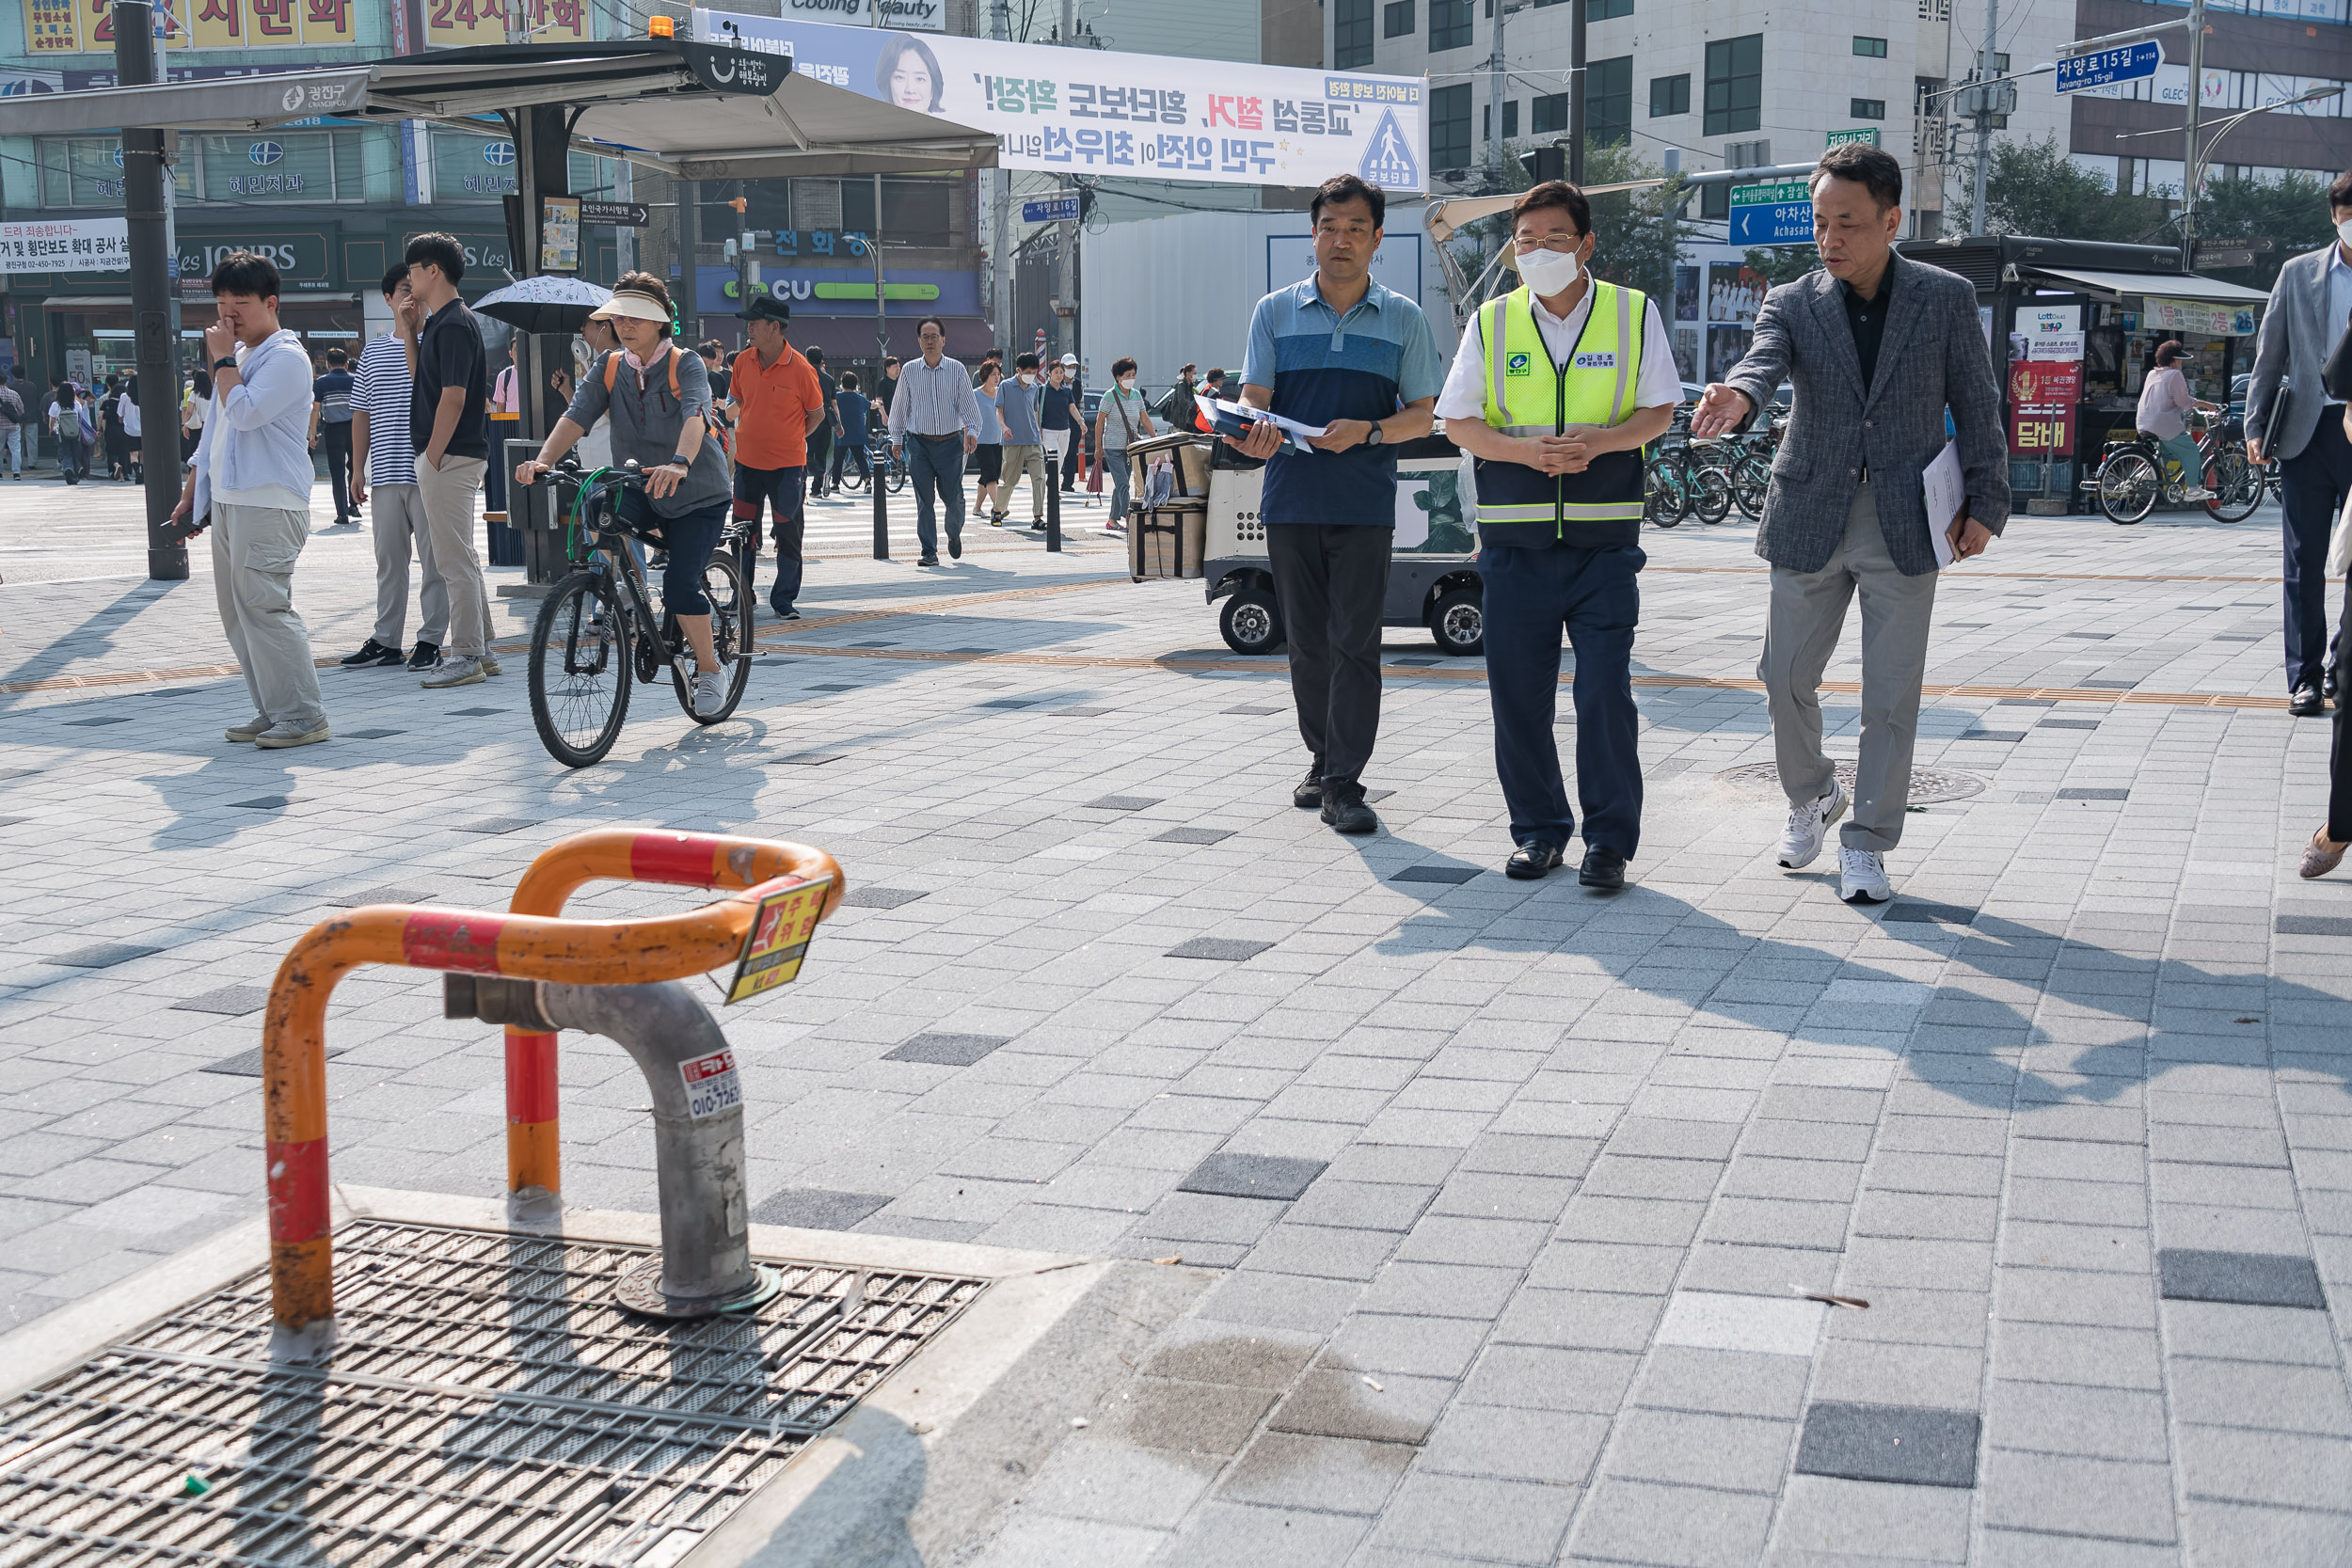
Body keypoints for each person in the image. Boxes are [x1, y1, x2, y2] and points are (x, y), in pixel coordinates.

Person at [1691, 141, 2007, 904]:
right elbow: (1763, 360)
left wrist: (1988, 502)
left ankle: (1867, 843)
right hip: (1808, 509)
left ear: (1891, 220)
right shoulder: (1793, 301)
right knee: (1784, 676)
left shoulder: (1944, 297)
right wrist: (1738, 396)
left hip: (1906, 514)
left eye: (1848, 224)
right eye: (1820, 222)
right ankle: (1812, 794)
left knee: (1890, 694)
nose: (1830, 239)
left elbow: (1977, 400)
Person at [1437, 179, 1680, 889]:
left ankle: (1609, 842)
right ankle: (1539, 832)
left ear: (1587, 245)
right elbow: (1460, 421)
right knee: (1518, 696)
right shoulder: (1492, 321)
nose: (1539, 250)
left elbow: (1658, 409)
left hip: (1604, 546)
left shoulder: (1633, 313)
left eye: (1556, 238)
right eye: (1526, 239)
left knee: (1605, 692)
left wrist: (1603, 441)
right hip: (1514, 547)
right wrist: (1526, 452)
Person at [1230, 171, 1442, 835]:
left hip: (1366, 505)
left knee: (1357, 643)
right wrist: (1250, 427)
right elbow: (1252, 402)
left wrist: (1371, 431)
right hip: (1291, 501)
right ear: (1312, 233)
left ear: (1378, 238)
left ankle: (1346, 781)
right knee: (1307, 646)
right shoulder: (1274, 310)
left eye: (1355, 228)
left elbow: (1423, 416)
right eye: (1329, 227)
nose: (1340, 240)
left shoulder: (1403, 317)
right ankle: (1323, 758)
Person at [515, 273, 737, 717]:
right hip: (641, 486)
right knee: (599, 506)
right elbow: (576, 416)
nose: (626, 325)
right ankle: (618, 587)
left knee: (679, 585)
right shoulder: (610, 365)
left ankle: (710, 670)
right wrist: (544, 460)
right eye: (619, 318)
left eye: (638, 317)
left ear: (660, 323)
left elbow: (696, 414)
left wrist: (680, 462)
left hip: (697, 491)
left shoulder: (684, 362)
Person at [169, 249, 329, 750]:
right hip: (234, 500)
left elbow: (245, 414)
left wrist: (219, 361)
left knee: (265, 606)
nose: (227, 316)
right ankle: (275, 709)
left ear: (271, 302)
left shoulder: (287, 357)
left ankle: (303, 715)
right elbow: (216, 431)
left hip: (271, 501)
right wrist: (194, 489)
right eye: (221, 304)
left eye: (239, 304)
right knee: (238, 611)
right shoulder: (239, 358)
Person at [2247, 172, 2352, 718]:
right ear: (2334, 217)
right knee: (2303, 560)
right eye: (2346, 214)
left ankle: (2342, 663)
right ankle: (2305, 678)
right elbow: (2271, 355)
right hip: (2307, 435)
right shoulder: (2298, 273)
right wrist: (2254, 425)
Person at [400, 230, 499, 690]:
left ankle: (466, 654)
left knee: (451, 560)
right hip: (450, 454)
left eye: (414, 270)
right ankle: (484, 648)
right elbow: (424, 380)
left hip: (451, 455)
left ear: (433, 270)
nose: (409, 278)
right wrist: (410, 332)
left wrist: (433, 456)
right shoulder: (442, 322)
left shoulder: (456, 323)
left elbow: (455, 398)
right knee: (461, 556)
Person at [342, 263, 448, 672]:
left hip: (427, 469)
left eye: (416, 288)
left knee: (434, 559)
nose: (412, 296)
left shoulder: (434, 342)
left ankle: (431, 639)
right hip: (385, 473)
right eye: (404, 289)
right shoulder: (373, 350)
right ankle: (387, 640)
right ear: (387, 298)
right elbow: (361, 413)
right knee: (389, 561)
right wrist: (357, 470)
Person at [722, 294, 826, 620]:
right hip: (747, 466)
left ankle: (783, 600)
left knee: (788, 533)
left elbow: (817, 414)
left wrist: (792, 437)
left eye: (755, 322)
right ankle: (743, 593)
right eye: (748, 322)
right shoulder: (742, 362)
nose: (748, 328)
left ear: (775, 327)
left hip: (788, 468)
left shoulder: (801, 369)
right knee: (742, 533)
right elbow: (735, 402)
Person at [886, 315, 982, 565]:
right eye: (925, 337)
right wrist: (896, 437)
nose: (930, 341)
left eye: (934, 337)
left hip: (951, 444)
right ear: (919, 341)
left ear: (944, 340)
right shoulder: (908, 371)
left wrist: (972, 431)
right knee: (924, 500)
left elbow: (968, 406)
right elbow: (899, 408)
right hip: (919, 444)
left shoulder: (957, 369)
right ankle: (928, 551)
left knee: (953, 498)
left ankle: (953, 533)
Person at [2137, 340, 2218, 502]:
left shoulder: (2153, 374)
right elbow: (2183, 401)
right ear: (2173, 361)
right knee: (2191, 451)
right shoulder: (2175, 374)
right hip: (2163, 424)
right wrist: (2207, 405)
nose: (2181, 364)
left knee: (2165, 452)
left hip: (2144, 421)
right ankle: (2193, 490)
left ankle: (2145, 473)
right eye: (2180, 360)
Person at [1095, 355, 1155, 531]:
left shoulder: (1136, 395)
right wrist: (1098, 447)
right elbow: (1099, 422)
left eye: (1133, 375)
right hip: (1112, 447)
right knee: (1123, 482)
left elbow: (1144, 419)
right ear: (1118, 377)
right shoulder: (1110, 396)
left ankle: (1112, 520)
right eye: (1127, 375)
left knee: (1121, 483)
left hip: (1131, 447)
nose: (1131, 379)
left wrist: (1154, 438)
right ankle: (1129, 516)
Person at [996, 351, 1049, 526]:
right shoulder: (1005, 386)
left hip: (1033, 440)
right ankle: (998, 509)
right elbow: (999, 411)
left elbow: (1035, 412)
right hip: (1012, 441)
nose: (1031, 376)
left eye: (1034, 372)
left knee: (1039, 478)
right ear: (1018, 370)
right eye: (1028, 372)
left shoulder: (1035, 388)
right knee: (1010, 480)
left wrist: (1038, 432)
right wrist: (1004, 427)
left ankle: (1038, 517)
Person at [310, 345, 358, 525]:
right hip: (354, 429)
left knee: (337, 472)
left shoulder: (322, 382)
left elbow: (315, 410)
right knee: (355, 467)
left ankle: (342, 514)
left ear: (328, 364)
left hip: (333, 430)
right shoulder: (356, 380)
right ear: (346, 364)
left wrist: (313, 435)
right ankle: (354, 505)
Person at [972, 359, 1008, 521]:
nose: (996, 378)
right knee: (991, 476)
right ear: (985, 375)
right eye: (993, 374)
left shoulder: (1001, 392)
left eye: (998, 374)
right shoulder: (975, 395)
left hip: (998, 441)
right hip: (981, 441)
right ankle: (999, 507)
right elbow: (968, 418)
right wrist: (968, 438)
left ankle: (977, 508)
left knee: (987, 476)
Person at [1041, 357, 1078, 499]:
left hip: (1064, 430)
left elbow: (1072, 408)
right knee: (1055, 458)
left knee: (1060, 459)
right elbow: (1038, 410)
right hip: (1048, 430)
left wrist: (1080, 421)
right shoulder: (1043, 390)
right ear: (1049, 373)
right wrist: (1038, 428)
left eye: (1061, 372)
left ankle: (1051, 483)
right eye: (1056, 372)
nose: (1059, 375)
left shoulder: (1066, 391)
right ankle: (1053, 489)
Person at [832, 370, 871, 490]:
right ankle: (867, 481)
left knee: (838, 459)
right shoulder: (860, 398)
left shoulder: (837, 397)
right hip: (857, 433)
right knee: (860, 458)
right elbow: (870, 405)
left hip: (841, 433)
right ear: (855, 385)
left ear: (842, 384)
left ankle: (835, 484)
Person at [803, 345, 834, 498]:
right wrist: (839, 425)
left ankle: (819, 474)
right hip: (827, 421)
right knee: (821, 454)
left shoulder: (805, 375)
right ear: (821, 360)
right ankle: (816, 490)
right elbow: (834, 404)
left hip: (809, 418)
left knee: (806, 454)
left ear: (807, 359)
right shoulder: (829, 379)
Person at [1158, 362, 1200, 436]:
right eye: (1194, 373)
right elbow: (1182, 401)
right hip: (1181, 419)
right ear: (1187, 373)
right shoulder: (1181, 385)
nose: (1195, 375)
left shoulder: (1190, 386)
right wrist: (1192, 406)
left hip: (1187, 417)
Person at [0, 372, 22, 481]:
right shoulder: (14, 394)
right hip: (14, 425)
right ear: (6, 381)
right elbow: (21, 410)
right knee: (16, 449)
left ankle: (0, 473)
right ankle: (16, 473)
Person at [182, 370, 209, 451]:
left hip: (197, 424)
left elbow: (189, 411)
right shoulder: (213, 394)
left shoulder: (194, 394)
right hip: (210, 423)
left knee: (195, 448)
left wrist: (185, 424)